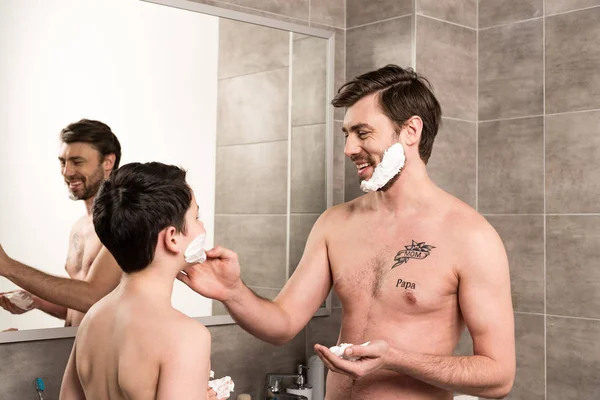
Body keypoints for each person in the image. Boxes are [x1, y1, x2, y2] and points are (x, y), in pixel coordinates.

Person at [177, 65, 516, 399]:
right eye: (347, 135)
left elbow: (499, 377)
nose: (349, 149)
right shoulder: (335, 224)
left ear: (411, 131)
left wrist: (396, 359)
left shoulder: (470, 236)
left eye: (363, 132)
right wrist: (232, 292)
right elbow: (282, 324)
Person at [59, 162, 215, 400]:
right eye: (196, 217)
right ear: (172, 237)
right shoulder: (185, 336)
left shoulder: (92, 319)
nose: (202, 227)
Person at [0, 119, 123, 327]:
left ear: (108, 162)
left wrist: (7, 266)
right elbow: (77, 307)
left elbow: (93, 297)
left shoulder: (123, 223)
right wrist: (37, 300)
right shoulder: (80, 227)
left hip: (108, 354)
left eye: (77, 161)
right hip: (73, 347)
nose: (66, 172)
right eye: (63, 162)